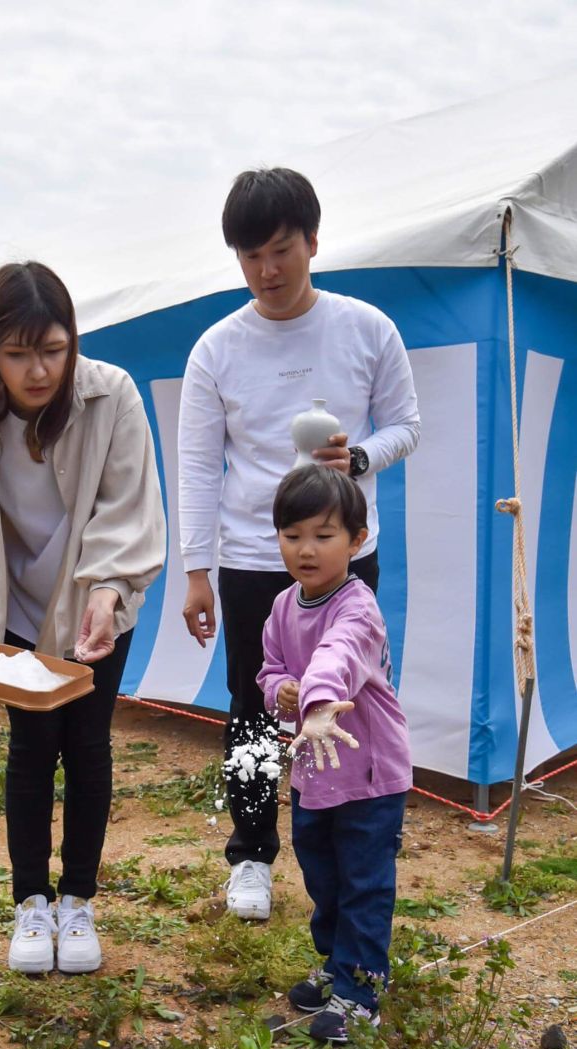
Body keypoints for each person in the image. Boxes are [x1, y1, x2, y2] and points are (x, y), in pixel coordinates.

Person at [0, 262, 166, 976]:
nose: (38, 370)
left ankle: (77, 901)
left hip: (94, 602)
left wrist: (106, 593)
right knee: (30, 749)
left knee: (88, 745)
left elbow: (126, 499)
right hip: (9, 601)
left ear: (71, 338)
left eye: (52, 348)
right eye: (18, 354)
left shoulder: (111, 395)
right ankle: (29, 903)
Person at [178, 166, 419, 921]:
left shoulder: (366, 328)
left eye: (280, 250)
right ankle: (250, 856)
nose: (266, 271)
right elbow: (194, 463)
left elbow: (407, 426)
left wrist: (358, 461)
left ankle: (356, 840)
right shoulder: (216, 348)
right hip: (253, 559)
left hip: (347, 556)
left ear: (312, 241)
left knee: (349, 699)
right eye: (249, 256)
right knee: (254, 708)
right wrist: (195, 573)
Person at [257, 464, 411, 1044]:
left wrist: (317, 698)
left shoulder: (358, 607)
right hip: (315, 771)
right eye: (293, 535)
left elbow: (337, 656)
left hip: (371, 775)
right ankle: (336, 964)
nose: (306, 549)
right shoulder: (281, 606)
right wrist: (284, 693)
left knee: (365, 881)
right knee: (322, 876)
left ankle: (360, 992)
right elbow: (270, 669)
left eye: (324, 536)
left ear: (357, 540)